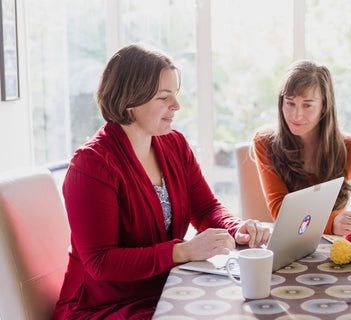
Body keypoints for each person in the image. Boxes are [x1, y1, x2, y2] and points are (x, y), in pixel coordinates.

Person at [53, 43, 270, 319]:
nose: (176, 106)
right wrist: (184, 251)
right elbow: (101, 262)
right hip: (102, 307)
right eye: (163, 97)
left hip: (163, 290)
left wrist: (235, 228)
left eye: (175, 95)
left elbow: (205, 209)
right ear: (130, 101)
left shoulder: (175, 144)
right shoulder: (91, 165)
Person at [253, 60, 351, 236]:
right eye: (290, 103)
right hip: (290, 247)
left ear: (324, 107)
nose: (295, 115)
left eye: (307, 105)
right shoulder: (265, 142)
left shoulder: (350, 148)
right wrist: (331, 223)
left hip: (334, 252)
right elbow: (281, 213)